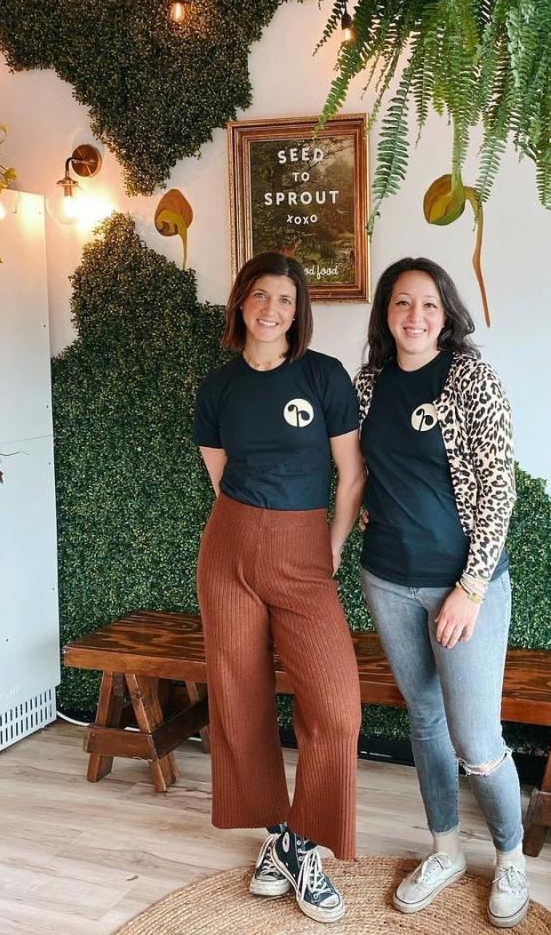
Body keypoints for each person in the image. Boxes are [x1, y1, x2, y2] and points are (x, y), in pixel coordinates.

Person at [354, 257, 527, 928]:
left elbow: (498, 491)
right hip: (387, 577)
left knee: (477, 739)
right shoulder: (367, 384)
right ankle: (446, 849)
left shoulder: (471, 380)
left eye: (428, 304)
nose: (415, 317)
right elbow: (358, 467)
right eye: (402, 304)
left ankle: (510, 857)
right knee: (423, 720)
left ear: (446, 313)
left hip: (464, 586)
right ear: (386, 314)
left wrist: (471, 589)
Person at [193, 252, 365, 924]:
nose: (273, 309)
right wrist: (250, 535)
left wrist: (330, 544)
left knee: (337, 706)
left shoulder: (322, 377)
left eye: (286, 300)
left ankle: (301, 842)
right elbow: (221, 475)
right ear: (240, 303)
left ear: (300, 312)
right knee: (238, 695)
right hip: (229, 549)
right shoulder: (218, 388)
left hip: (305, 553)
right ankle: (277, 839)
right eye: (261, 295)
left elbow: (349, 475)